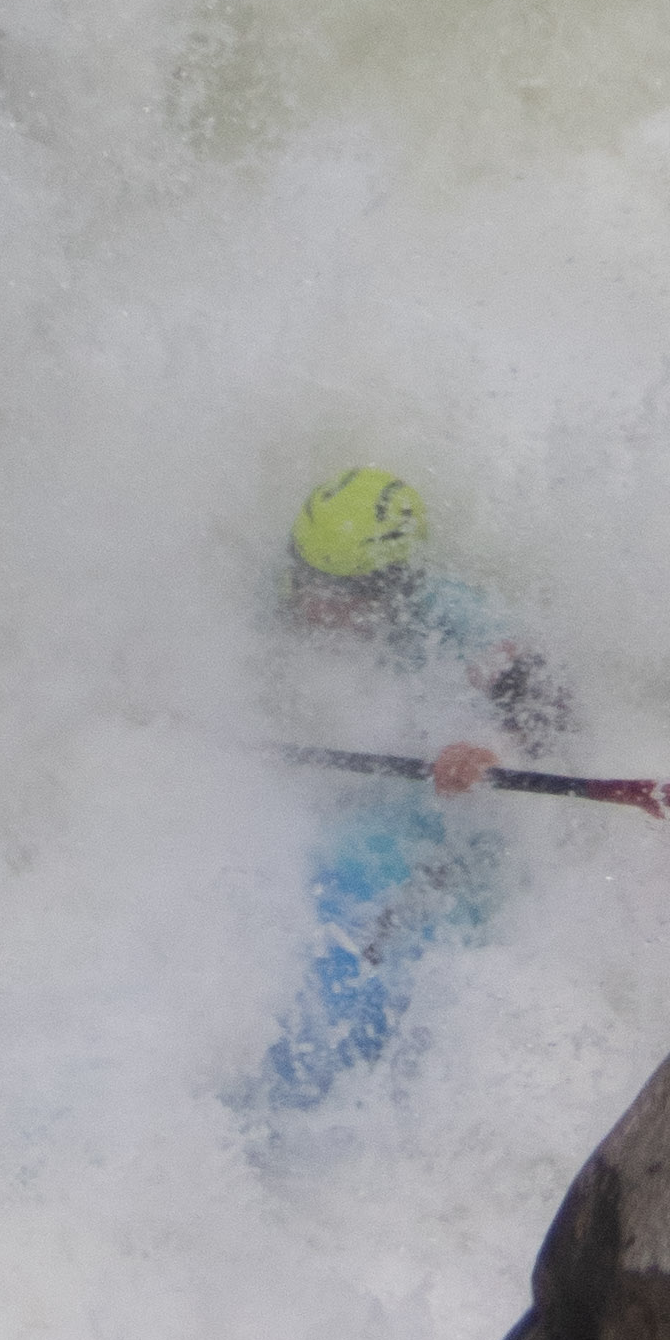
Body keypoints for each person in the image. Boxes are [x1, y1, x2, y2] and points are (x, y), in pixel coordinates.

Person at [246, 467, 573, 1114]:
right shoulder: (279, 598)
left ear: (392, 589)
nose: (313, 605)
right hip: (346, 821)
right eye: (306, 579)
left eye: (336, 594)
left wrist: (488, 751)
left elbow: (555, 717)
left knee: (378, 969)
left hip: (447, 835)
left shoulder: (461, 623)